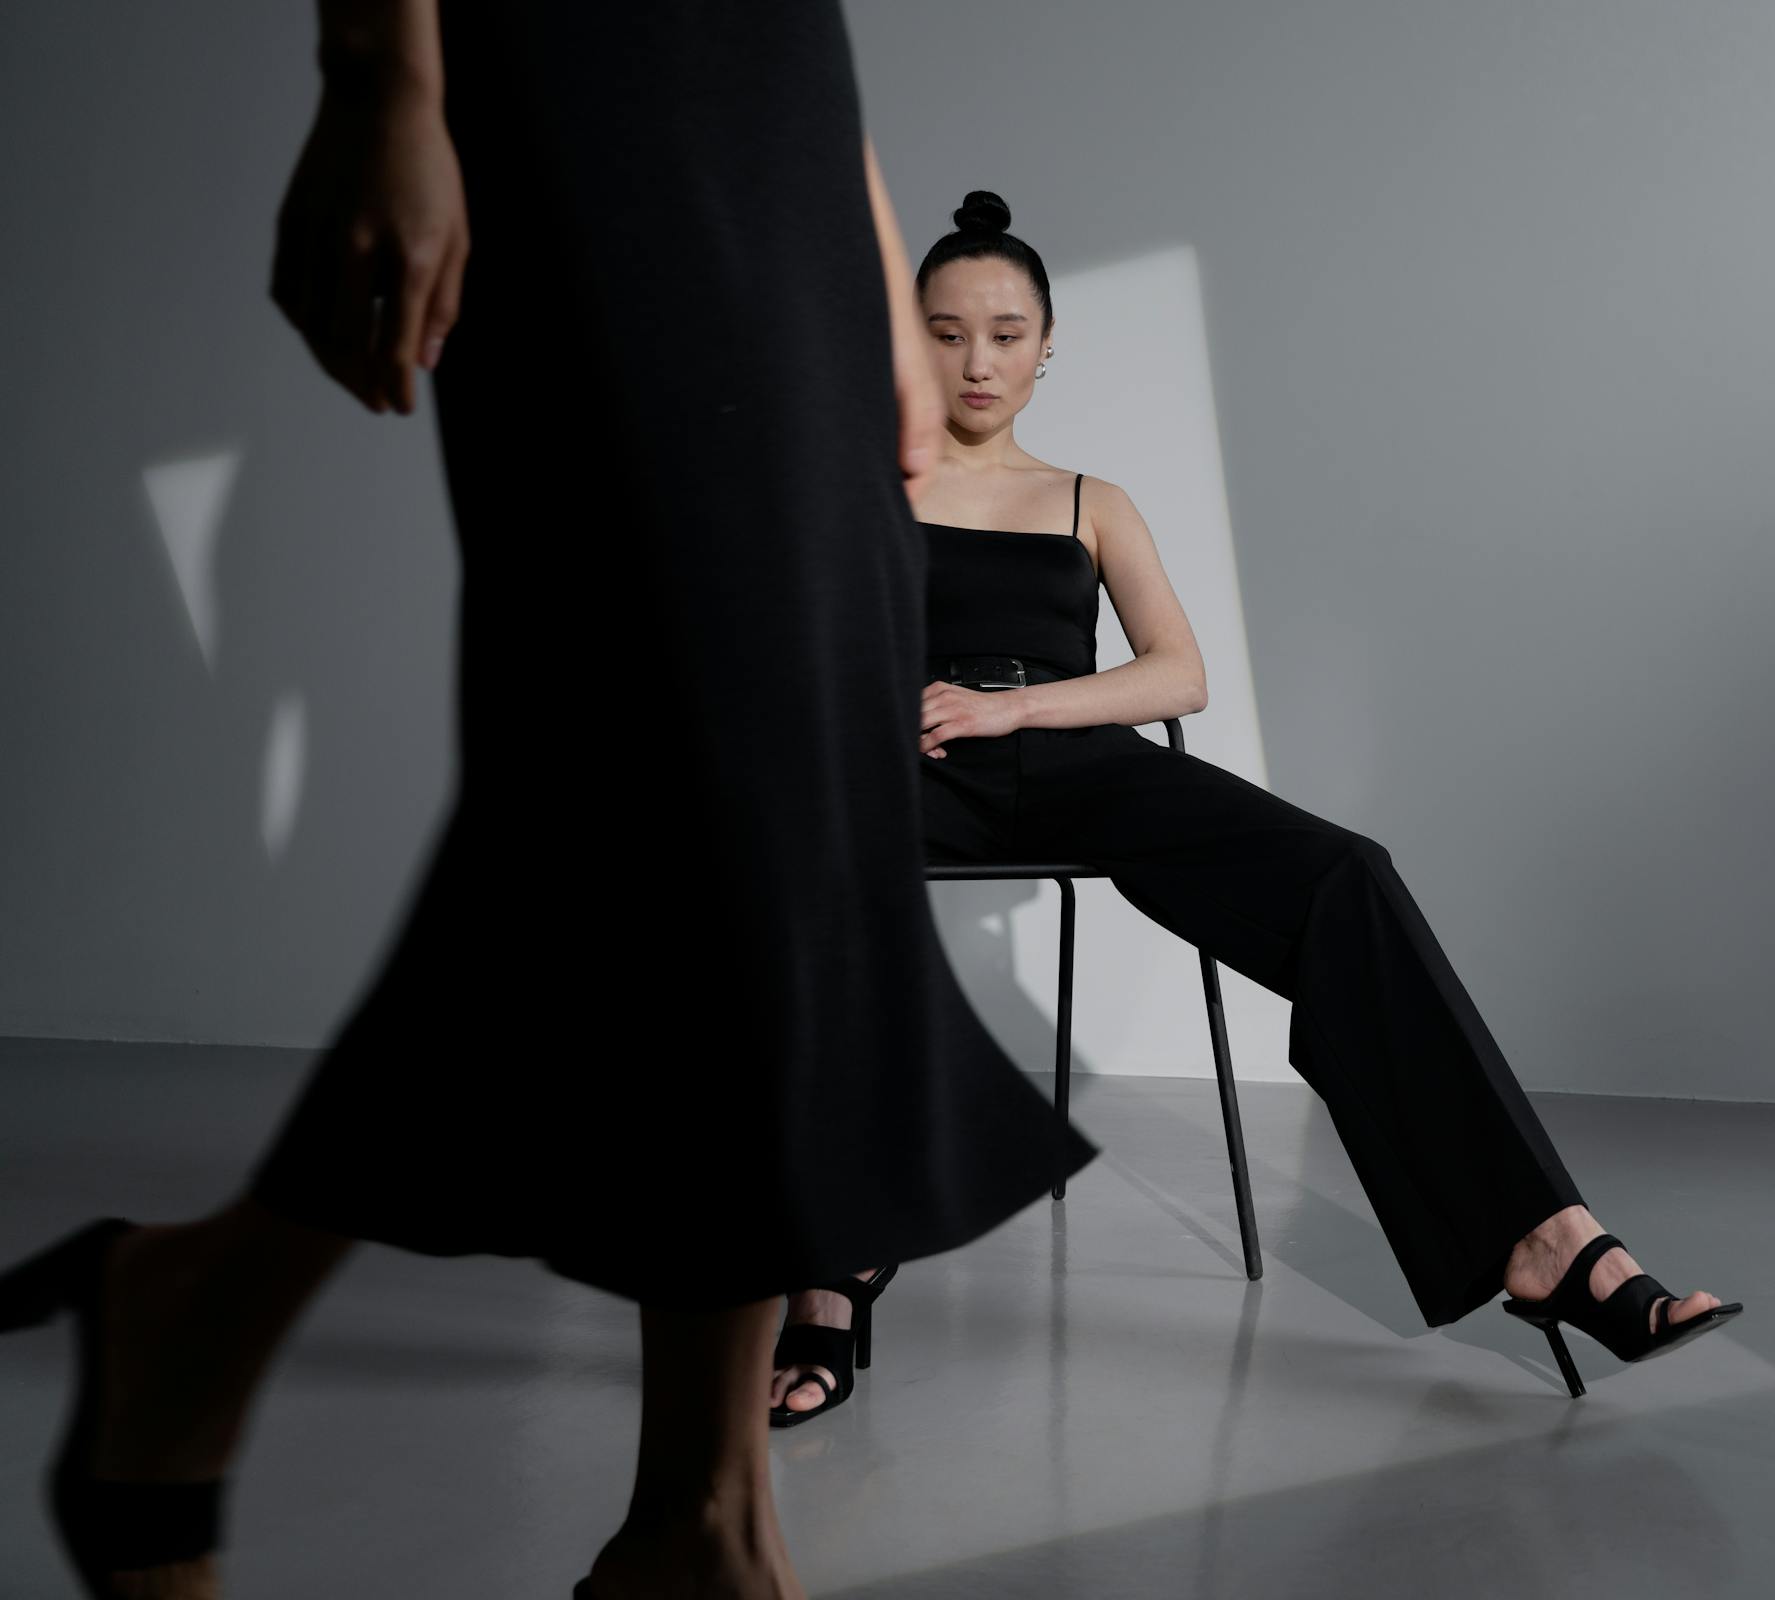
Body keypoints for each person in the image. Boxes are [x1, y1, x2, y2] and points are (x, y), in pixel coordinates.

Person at [0, 8, 1085, 1596]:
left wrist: (855, 224)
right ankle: (656, 1508)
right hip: (576, 71)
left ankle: (690, 1510)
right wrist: (382, 69)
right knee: (687, 733)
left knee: (762, 753)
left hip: (771, 101)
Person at [766, 192, 1741, 1425]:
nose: (979, 361)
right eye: (949, 333)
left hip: (1075, 762)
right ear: (911, 344)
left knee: (1347, 876)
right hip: (908, 770)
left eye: (1006, 333)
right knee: (797, 885)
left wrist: (1019, 709)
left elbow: (1180, 674)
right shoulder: (859, 484)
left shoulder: (1089, 499)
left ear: (1048, 344)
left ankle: (1550, 1239)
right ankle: (833, 1265)